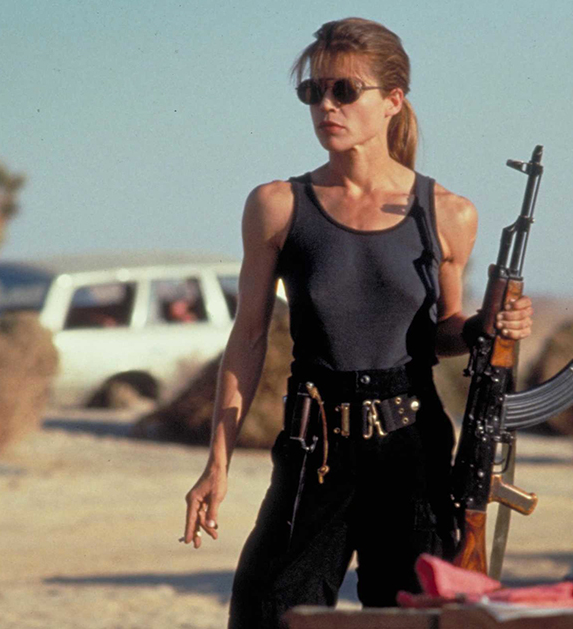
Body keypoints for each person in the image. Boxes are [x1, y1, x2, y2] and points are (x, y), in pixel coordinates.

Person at [182, 17, 533, 628]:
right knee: (266, 614)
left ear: (393, 100)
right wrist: (218, 462)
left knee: (414, 619)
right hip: (313, 449)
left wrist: (485, 327)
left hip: (413, 452)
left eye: (344, 90)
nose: (326, 105)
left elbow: (442, 330)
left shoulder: (447, 213)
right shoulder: (277, 206)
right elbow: (249, 336)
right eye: (313, 91)